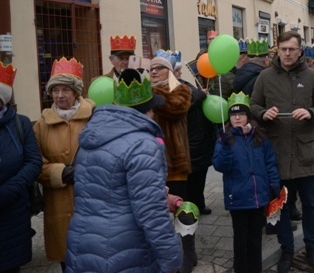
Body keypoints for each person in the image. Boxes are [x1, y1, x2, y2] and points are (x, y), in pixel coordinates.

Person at [65, 69, 183, 273]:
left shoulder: (91, 136)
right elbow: (151, 213)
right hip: (125, 250)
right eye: (153, 109)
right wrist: (171, 258)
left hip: (84, 243)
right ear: (147, 110)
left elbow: (105, 192)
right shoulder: (143, 145)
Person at [250, 31, 314, 273]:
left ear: (300, 51)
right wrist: (263, 114)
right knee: (282, 206)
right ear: (277, 50)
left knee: (309, 204)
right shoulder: (265, 77)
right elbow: (253, 105)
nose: (286, 53)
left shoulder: (312, 75)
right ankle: (286, 249)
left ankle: (312, 246)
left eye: (291, 49)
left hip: (305, 152)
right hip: (277, 153)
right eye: (282, 49)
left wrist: (311, 113)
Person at [33, 57, 95, 271]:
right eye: (55, 90)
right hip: (58, 202)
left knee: (93, 254)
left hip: (91, 199)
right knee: (66, 257)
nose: (60, 96)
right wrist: (59, 173)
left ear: (76, 92)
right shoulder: (42, 125)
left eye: (65, 90)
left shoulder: (94, 118)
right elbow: (35, 162)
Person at [212, 92, 281, 273]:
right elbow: (220, 165)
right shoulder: (224, 139)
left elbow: (269, 162)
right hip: (239, 199)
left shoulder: (259, 137)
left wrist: (274, 186)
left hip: (259, 197)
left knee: (255, 239)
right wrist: (226, 147)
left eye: (240, 114)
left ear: (247, 116)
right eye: (233, 114)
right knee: (241, 239)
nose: (236, 117)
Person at [150, 49, 194, 272]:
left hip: (175, 162)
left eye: (159, 68)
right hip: (152, 164)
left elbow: (175, 108)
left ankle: (189, 251)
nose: (154, 72)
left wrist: (149, 94)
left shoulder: (182, 90)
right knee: (157, 213)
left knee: (181, 209)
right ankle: (166, 253)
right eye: (151, 69)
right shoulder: (148, 94)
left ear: (170, 72)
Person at [0, 63, 42, 273]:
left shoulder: (20, 124)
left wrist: (7, 191)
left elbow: (33, 162)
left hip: (13, 212)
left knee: (9, 266)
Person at [174, 56, 216, 216]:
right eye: (176, 70)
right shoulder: (171, 88)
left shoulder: (184, 83)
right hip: (188, 140)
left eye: (179, 70)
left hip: (199, 138)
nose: (179, 73)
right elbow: (184, 104)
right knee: (189, 179)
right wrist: (199, 95)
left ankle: (199, 202)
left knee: (200, 175)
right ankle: (190, 208)